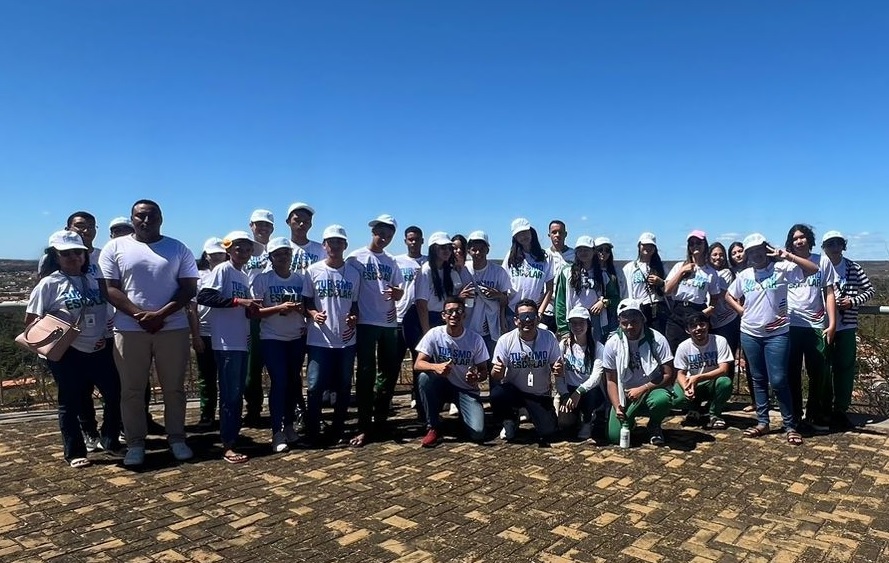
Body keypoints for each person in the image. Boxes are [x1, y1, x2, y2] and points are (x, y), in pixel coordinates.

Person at [98, 199, 199, 467]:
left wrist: (161, 315)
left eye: (151, 215)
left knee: (174, 389)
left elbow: (189, 287)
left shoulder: (178, 248)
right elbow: (109, 288)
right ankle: (135, 443)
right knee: (131, 390)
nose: (145, 220)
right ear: (132, 219)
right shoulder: (114, 247)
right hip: (129, 329)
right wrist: (139, 315)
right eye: (140, 216)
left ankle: (176, 438)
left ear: (161, 218)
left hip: (172, 327)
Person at [26, 230, 123, 467]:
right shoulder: (49, 284)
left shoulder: (95, 279)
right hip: (68, 352)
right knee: (70, 403)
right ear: (55, 256)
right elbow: (31, 321)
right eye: (66, 253)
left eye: (78, 252)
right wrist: (60, 334)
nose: (73, 257)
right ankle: (75, 451)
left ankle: (110, 439)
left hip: (100, 348)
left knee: (115, 394)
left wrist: (105, 335)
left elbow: (107, 310)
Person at [724, 233, 818, 446]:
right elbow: (729, 295)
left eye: (759, 249)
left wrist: (787, 256)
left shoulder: (781, 269)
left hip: (777, 334)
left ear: (766, 249)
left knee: (778, 380)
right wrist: (741, 311)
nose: (756, 254)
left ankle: (790, 425)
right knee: (758, 379)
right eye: (751, 251)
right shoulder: (745, 275)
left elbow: (813, 269)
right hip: (750, 333)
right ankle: (763, 422)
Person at [197, 231, 263, 463]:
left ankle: (232, 438)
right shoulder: (223, 270)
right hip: (226, 342)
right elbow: (205, 297)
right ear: (228, 250)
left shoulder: (243, 275)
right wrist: (238, 301)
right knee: (230, 395)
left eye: (247, 249)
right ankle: (227, 444)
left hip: (241, 341)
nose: (243, 253)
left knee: (236, 394)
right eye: (238, 248)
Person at [346, 214, 405, 446]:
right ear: (373, 232)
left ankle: (380, 419)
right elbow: (349, 289)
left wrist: (397, 294)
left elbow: (399, 290)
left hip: (388, 323)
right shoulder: (355, 258)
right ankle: (363, 423)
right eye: (380, 233)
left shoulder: (391, 261)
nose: (384, 238)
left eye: (388, 235)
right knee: (365, 373)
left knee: (388, 373)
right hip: (366, 322)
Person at [303, 225, 360, 446]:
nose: (335, 246)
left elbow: (354, 304)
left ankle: (338, 429)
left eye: (339, 242)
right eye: (330, 242)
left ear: (345, 245)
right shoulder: (313, 271)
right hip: (319, 339)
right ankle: (313, 431)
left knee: (344, 386)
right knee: (315, 386)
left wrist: (354, 317)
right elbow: (306, 302)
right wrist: (313, 314)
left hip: (346, 339)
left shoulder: (353, 274)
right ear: (324, 245)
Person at [252, 237, 308, 453]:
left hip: (296, 337)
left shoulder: (300, 279)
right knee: (280, 382)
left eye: (286, 253)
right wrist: (278, 308)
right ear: (271, 258)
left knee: (293, 382)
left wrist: (299, 309)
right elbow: (255, 312)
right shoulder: (263, 279)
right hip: (272, 338)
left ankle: (290, 425)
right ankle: (276, 431)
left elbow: (308, 307)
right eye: (278, 254)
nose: (283, 258)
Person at [415, 296, 490, 447]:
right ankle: (433, 426)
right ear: (443, 315)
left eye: (458, 311)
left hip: (466, 389)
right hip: (442, 386)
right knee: (424, 378)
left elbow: (484, 371)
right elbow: (418, 364)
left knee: (478, 433)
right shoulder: (434, 334)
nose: (454, 315)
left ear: (464, 315)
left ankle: (464, 417)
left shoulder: (475, 339)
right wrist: (436, 367)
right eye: (450, 311)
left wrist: (476, 377)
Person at [784, 224, 838, 432]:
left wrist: (831, 324)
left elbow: (829, 293)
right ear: (790, 242)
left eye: (802, 237)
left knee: (818, 373)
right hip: (791, 325)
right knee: (792, 372)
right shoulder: (785, 265)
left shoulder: (821, 261)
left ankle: (814, 415)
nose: (799, 241)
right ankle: (795, 416)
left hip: (815, 325)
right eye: (795, 238)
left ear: (809, 239)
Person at [821, 230, 875, 430]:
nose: (835, 247)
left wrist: (852, 301)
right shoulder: (819, 267)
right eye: (830, 244)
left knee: (844, 369)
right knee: (823, 368)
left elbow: (869, 290)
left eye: (838, 243)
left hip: (846, 326)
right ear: (824, 247)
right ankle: (824, 408)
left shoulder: (853, 267)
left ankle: (840, 410)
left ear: (843, 246)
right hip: (823, 325)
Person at [489, 299, 563, 445]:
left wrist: (558, 369)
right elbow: (496, 375)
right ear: (516, 320)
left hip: (539, 394)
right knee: (497, 394)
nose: (527, 320)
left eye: (531, 316)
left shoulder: (549, 337)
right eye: (523, 317)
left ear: (538, 318)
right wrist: (497, 370)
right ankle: (510, 420)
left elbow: (557, 368)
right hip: (514, 391)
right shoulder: (505, 340)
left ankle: (534, 414)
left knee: (548, 432)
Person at [603, 298, 674, 446]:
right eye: (625, 323)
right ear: (619, 322)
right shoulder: (612, 343)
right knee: (615, 437)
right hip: (625, 393)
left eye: (634, 322)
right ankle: (630, 421)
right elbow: (611, 380)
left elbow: (668, 375)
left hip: (651, 389)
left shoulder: (657, 339)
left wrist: (643, 388)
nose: (630, 327)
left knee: (662, 400)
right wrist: (617, 406)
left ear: (642, 319)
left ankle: (654, 425)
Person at [663, 230, 723, 353]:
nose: (695, 246)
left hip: (697, 310)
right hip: (678, 311)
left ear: (705, 245)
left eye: (698, 243)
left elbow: (715, 298)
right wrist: (681, 271)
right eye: (692, 243)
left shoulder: (711, 272)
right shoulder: (679, 266)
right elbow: (667, 290)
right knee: (673, 349)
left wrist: (708, 311)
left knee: (696, 349)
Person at [672, 312, 734, 430]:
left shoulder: (720, 341)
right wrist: (686, 388)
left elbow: (724, 369)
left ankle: (715, 414)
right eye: (693, 326)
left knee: (725, 383)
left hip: (712, 381)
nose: (698, 328)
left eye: (702, 324)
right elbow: (680, 373)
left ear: (708, 325)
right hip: (692, 383)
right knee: (676, 399)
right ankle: (694, 408)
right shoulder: (683, 346)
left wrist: (699, 378)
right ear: (687, 330)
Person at [242, 209, 274, 428]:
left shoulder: (277, 249)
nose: (263, 228)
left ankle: (283, 407)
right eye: (259, 224)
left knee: (277, 366)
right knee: (252, 367)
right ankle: (253, 408)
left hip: (274, 311)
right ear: (251, 225)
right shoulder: (245, 249)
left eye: (267, 225)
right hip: (251, 313)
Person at [191, 238, 228, 429]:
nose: (217, 257)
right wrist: (195, 335)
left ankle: (227, 413)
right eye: (213, 254)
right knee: (206, 377)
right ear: (206, 255)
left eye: (220, 254)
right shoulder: (198, 277)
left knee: (227, 376)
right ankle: (207, 414)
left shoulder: (230, 273)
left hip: (227, 333)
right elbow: (192, 309)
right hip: (205, 332)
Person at [556, 306, 607, 442]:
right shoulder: (563, 346)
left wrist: (579, 391)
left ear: (588, 324)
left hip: (588, 390)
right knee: (565, 425)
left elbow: (596, 377)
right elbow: (559, 375)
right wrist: (565, 395)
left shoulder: (598, 347)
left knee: (591, 394)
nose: (577, 326)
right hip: (570, 389)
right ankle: (577, 416)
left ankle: (589, 419)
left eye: (581, 322)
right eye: (574, 323)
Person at [464, 230, 512, 358]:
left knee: (491, 362)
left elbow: (505, 301)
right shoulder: (463, 269)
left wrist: (498, 295)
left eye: (481, 249)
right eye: (474, 250)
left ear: (487, 250)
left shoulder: (498, 272)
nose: (478, 253)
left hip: (490, 328)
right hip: (467, 326)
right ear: (468, 251)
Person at [394, 226, 426, 414]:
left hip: (419, 319)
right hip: (399, 317)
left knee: (419, 363)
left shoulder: (428, 262)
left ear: (422, 241)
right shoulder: (396, 261)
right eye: (410, 239)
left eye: (417, 239)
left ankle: (421, 402)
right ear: (405, 241)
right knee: (393, 363)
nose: (413, 242)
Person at [416, 232, 470, 336]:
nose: (447, 251)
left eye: (449, 248)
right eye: (442, 247)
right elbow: (421, 304)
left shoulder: (449, 270)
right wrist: (426, 332)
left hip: (443, 317)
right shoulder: (426, 270)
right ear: (433, 249)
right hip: (425, 318)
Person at [554, 236, 606, 340]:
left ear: (593, 251)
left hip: (595, 320)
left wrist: (603, 302)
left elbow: (613, 297)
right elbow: (560, 302)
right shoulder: (566, 272)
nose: (583, 253)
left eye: (586, 249)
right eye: (580, 250)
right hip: (574, 318)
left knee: (595, 348)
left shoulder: (603, 274)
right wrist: (563, 329)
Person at [504, 218, 554, 319]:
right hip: (512, 311)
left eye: (525, 232)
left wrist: (540, 312)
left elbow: (549, 289)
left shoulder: (546, 256)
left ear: (531, 232)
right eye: (519, 234)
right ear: (515, 238)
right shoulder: (511, 256)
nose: (523, 237)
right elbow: (503, 286)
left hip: (533, 312)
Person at [621, 232, 668, 334]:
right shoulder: (629, 267)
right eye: (644, 245)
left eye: (651, 246)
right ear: (639, 246)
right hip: (639, 308)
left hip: (657, 308)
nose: (647, 248)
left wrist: (660, 282)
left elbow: (669, 290)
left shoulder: (662, 267)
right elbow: (625, 291)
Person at [542, 220, 575, 332]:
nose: (557, 235)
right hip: (548, 306)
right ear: (549, 235)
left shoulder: (575, 254)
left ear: (565, 234)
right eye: (554, 232)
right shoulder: (543, 255)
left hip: (568, 304)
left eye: (560, 232)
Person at [595, 237, 625, 340]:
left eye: (607, 250)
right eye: (600, 249)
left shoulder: (616, 271)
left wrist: (605, 302)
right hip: (595, 315)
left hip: (612, 315)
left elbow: (619, 296)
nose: (603, 253)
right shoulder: (589, 271)